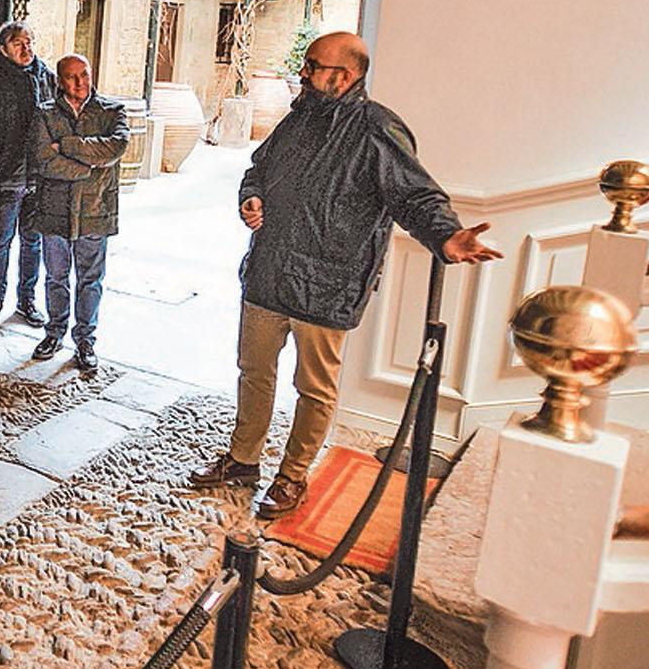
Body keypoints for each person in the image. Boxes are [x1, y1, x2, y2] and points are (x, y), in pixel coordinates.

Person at [188, 31, 502, 519]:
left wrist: (446, 236)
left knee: (313, 390)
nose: (304, 73)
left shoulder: (377, 130)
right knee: (254, 375)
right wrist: (251, 197)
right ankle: (243, 460)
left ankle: (292, 477)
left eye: (313, 66)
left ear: (345, 76)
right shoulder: (297, 119)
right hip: (269, 274)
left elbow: (414, 195)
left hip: (327, 287)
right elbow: (258, 167)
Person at [25, 55, 128, 374]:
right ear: (60, 81)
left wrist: (67, 145)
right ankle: (54, 332)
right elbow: (43, 160)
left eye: (84, 74)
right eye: (72, 77)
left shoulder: (112, 111)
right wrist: (89, 168)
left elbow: (116, 147)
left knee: (90, 279)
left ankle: (85, 340)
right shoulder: (45, 114)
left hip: (95, 210)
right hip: (54, 210)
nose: (80, 82)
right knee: (56, 277)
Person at [0, 20, 54, 328]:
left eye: (28, 41)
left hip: (40, 178)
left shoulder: (48, 80)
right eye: (18, 43)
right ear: (3, 50)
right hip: (6, 179)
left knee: (33, 242)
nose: (25, 48)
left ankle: (27, 300)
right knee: (0, 241)